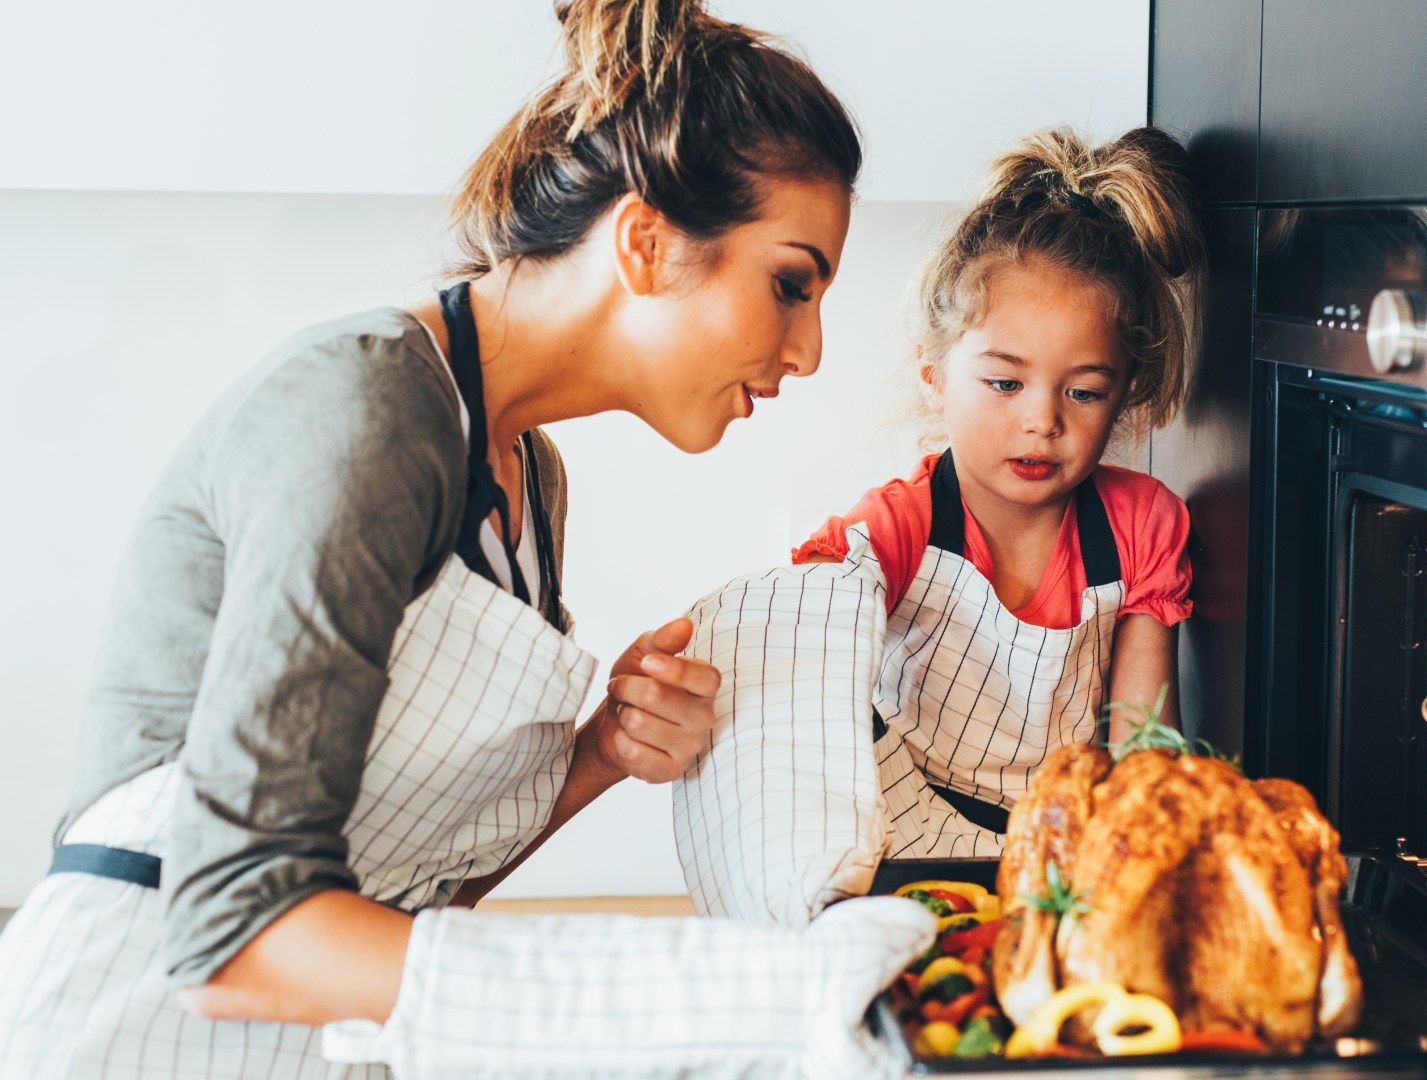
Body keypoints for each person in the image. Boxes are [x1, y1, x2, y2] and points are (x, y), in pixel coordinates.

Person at [0, 1, 932, 1077]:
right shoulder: (367, 407)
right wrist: (704, 995)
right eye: (789, 283)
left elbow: (406, 897)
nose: (806, 350)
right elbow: (234, 933)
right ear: (643, 241)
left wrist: (598, 757)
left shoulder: (532, 481)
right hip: (121, 1036)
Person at [790, 127, 1205, 852]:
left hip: (1060, 848)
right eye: (1005, 382)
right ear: (934, 373)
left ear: (1124, 395)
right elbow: (808, 636)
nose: (1041, 420)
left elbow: (1143, 747)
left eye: (1083, 391)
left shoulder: (1142, 526)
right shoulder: (900, 523)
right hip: (904, 833)